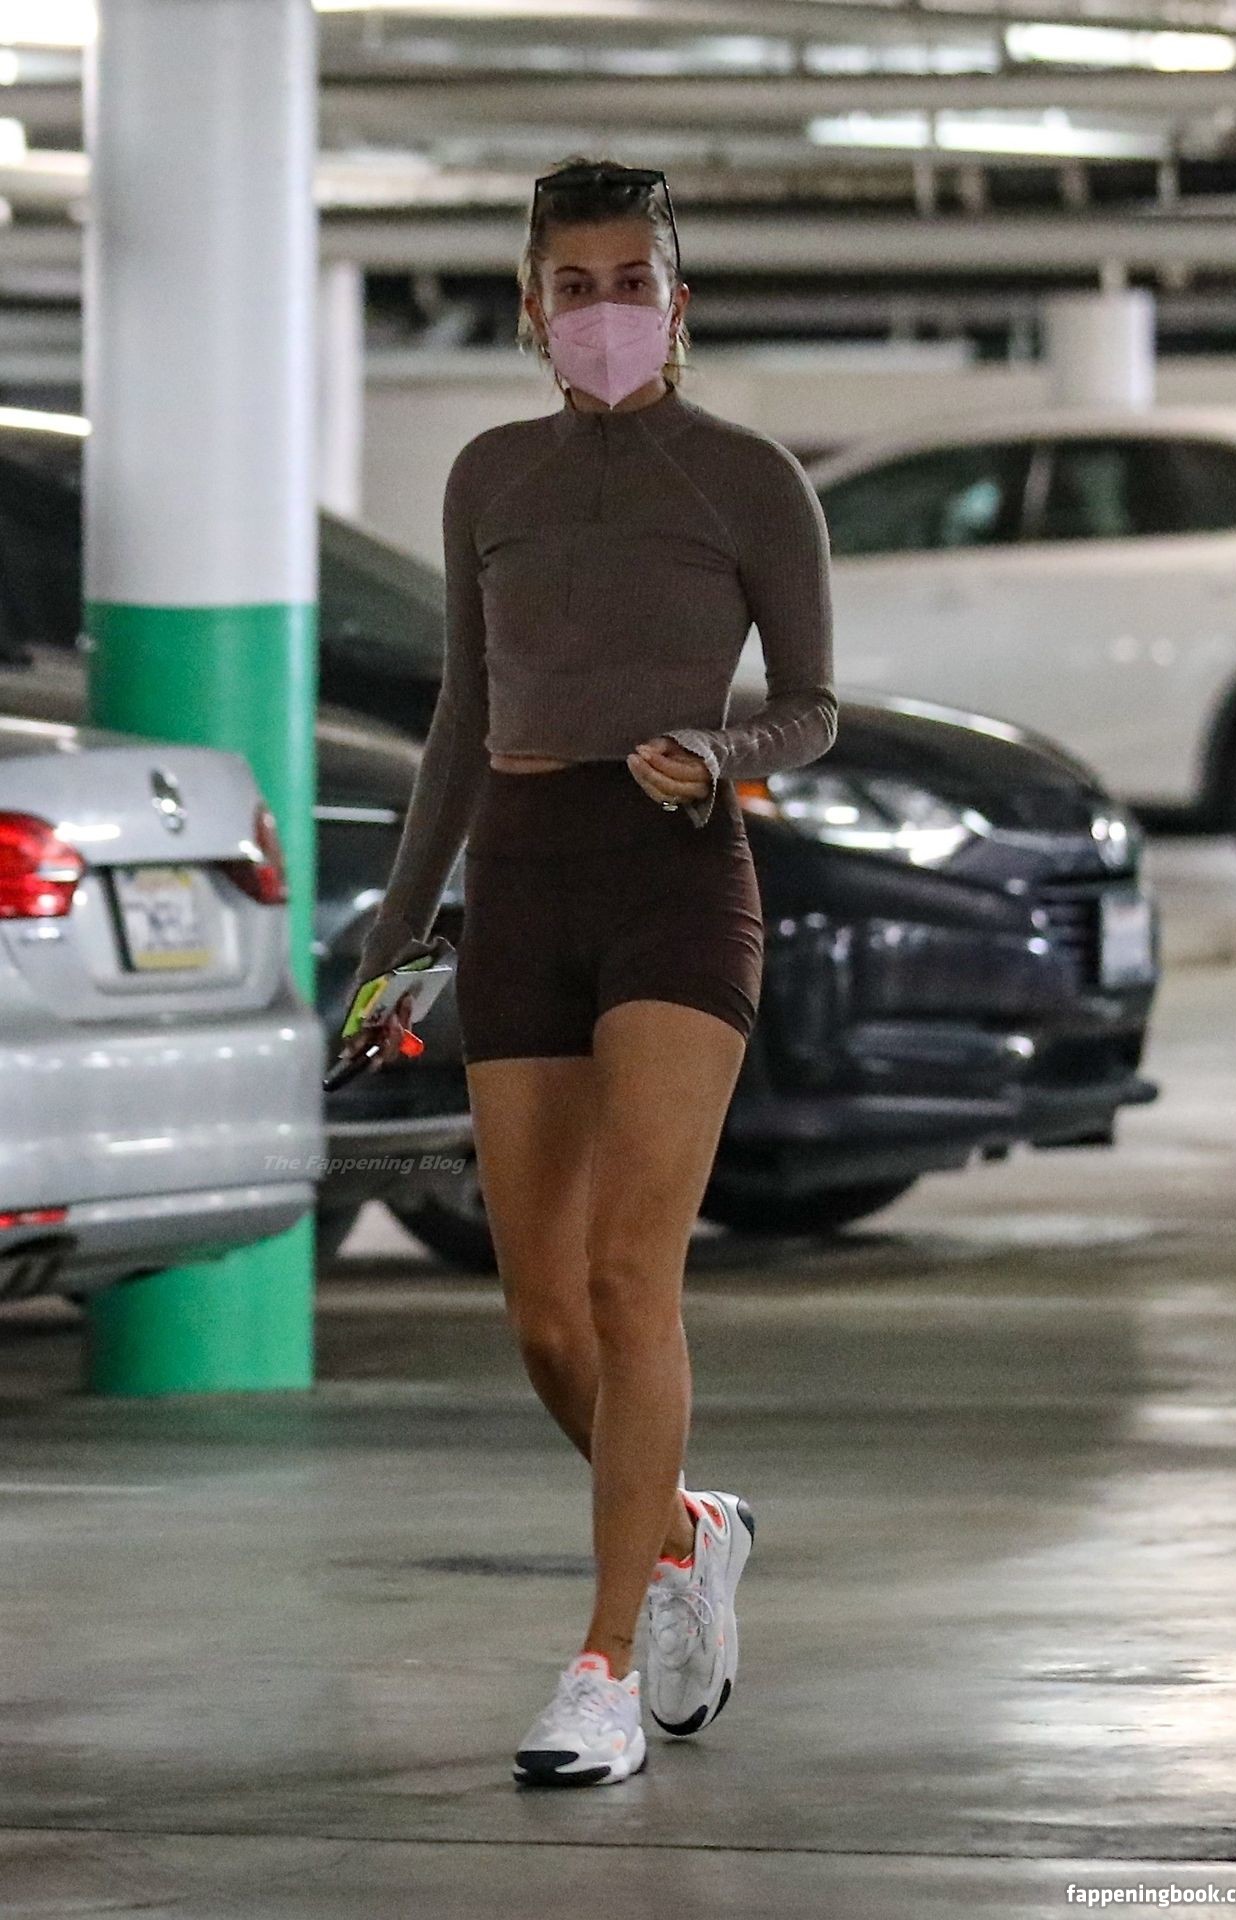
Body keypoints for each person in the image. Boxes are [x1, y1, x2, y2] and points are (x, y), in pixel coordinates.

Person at [337, 154, 838, 1788]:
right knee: (545, 1313)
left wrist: (719, 750)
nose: (605, 310)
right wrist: (398, 933)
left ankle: (604, 1664)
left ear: (676, 303)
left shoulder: (749, 478)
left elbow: (812, 706)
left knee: (631, 1279)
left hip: (676, 883)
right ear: (530, 306)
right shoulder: (490, 475)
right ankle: (689, 1530)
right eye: (576, 285)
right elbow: (461, 721)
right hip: (523, 883)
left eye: (633, 283)